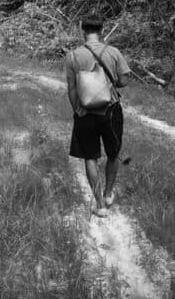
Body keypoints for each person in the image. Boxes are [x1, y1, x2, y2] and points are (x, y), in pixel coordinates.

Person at [65, 14, 131, 217]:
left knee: (90, 157)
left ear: (82, 30)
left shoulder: (73, 56)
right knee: (113, 154)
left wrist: (77, 109)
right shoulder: (113, 52)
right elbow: (124, 81)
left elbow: (72, 88)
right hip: (111, 111)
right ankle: (108, 194)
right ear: (102, 30)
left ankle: (100, 205)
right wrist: (110, 83)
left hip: (85, 113)